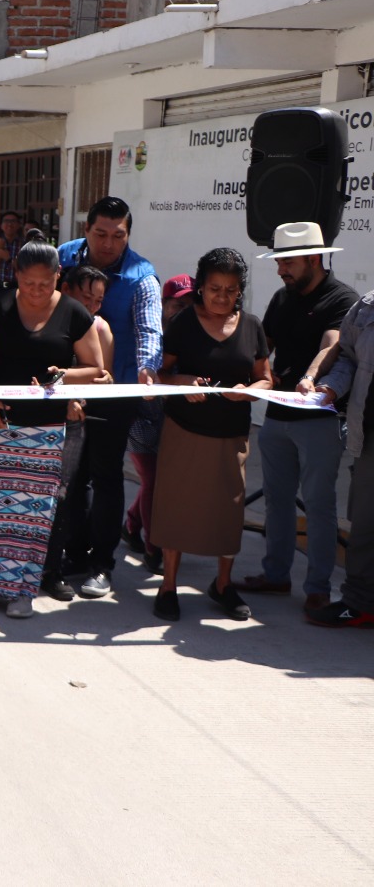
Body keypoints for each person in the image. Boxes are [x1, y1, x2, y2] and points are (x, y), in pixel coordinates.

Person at [0, 238, 103, 618]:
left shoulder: (75, 314)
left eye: (44, 283)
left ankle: (21, 589)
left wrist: (64, 378)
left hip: (46, 431)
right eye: (28, 282)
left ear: (57, 277)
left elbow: (96, 369)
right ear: (16, 275)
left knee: (33, 515)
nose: (36, 291)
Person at [241, 222, 359, 614]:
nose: (281, 270)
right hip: (276, 415)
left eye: (287, 262)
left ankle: (318, 588)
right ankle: (276, 576)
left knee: (319, 504)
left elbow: (332, 346)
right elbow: (263, 348)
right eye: (278, 262)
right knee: (277, 499)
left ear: (313, 258)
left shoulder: (343, 300)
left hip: (320, 420)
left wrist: (308, 378)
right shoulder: (281, 297)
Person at [150, 248, 271, 622]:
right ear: (201, 287)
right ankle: (168, 586)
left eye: (231, 290)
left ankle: (222, 584)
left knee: (228, 511)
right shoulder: (184, 323)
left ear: (240, 291)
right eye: (214, 288)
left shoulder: (251, 325)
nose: (222, 296)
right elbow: (161, 376)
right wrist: (183, 381)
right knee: (176, 507)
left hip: (231, 435)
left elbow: (266, 378)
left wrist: (250, 390)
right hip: (184, 430)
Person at [57, 196, 162, 599]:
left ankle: (102, 563)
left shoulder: (141, 276)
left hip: (115, 392)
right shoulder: (64, 260)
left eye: (118, 236)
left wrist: (147, 369)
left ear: (128, 236)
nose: (108, 244)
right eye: (100, 234)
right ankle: (72, 556)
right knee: (71, 478)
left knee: (105, 477)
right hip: (65, 388)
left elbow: (150, 329)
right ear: (87, 230)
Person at [308, 285, 374, 627]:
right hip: (369, 436)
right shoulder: (366, 307)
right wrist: (329, 387)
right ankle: (360, 603)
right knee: (364, 523)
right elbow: (348, 356)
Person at [121, 274, 195, 575]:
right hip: (140, 415)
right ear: (163, 305)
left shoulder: (193, 337)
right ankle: (154, 548)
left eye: (190, 304)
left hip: (173, 422)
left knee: (159, 481)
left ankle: (131, 524)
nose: (183, 310)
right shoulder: (149, 335)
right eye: (178, 304)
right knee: (154, 481)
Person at [0, 210, 24, 295]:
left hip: (16, 287)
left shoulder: (24, 245)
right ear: (1, 226)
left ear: (18, 225)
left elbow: (25, 269)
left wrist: (8, 258)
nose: (9, 224)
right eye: (6, 221)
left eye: (13, 221)